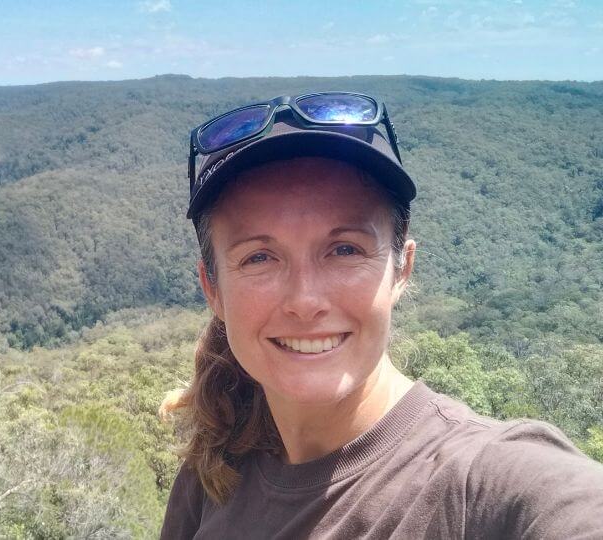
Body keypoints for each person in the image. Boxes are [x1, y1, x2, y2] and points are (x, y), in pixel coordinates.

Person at [160, 92, 603, 539]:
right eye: (259, 258)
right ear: (212, 288)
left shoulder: (482, 486)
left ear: (401, 268)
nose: (305, 300)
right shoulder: (213, 478)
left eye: (345, 249)